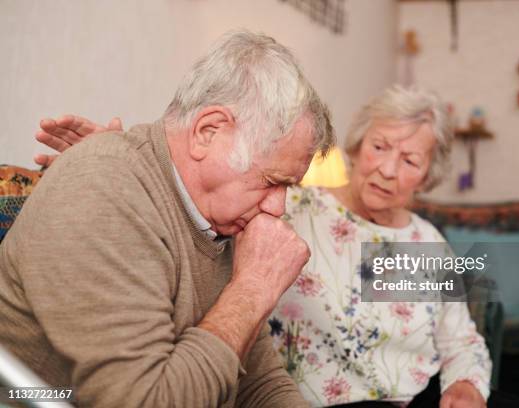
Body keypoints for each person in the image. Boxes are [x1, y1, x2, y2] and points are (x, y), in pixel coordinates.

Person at [34, 87, 519, 408]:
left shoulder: (423, 244)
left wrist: (466, 386)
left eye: (409, 159)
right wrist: (120, 159)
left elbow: (460, 339)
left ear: (429, 175)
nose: (388, 168)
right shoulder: (290, 207)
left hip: (422, 397)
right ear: (357, 148)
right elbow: (200, 193)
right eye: (380, 147)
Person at [0, 30, 334, 407]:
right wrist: (253, 289)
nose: (278, 207)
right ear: (208, 132)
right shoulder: (104, 185)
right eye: (272, 181)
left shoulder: (218, 220)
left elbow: (259, 383)